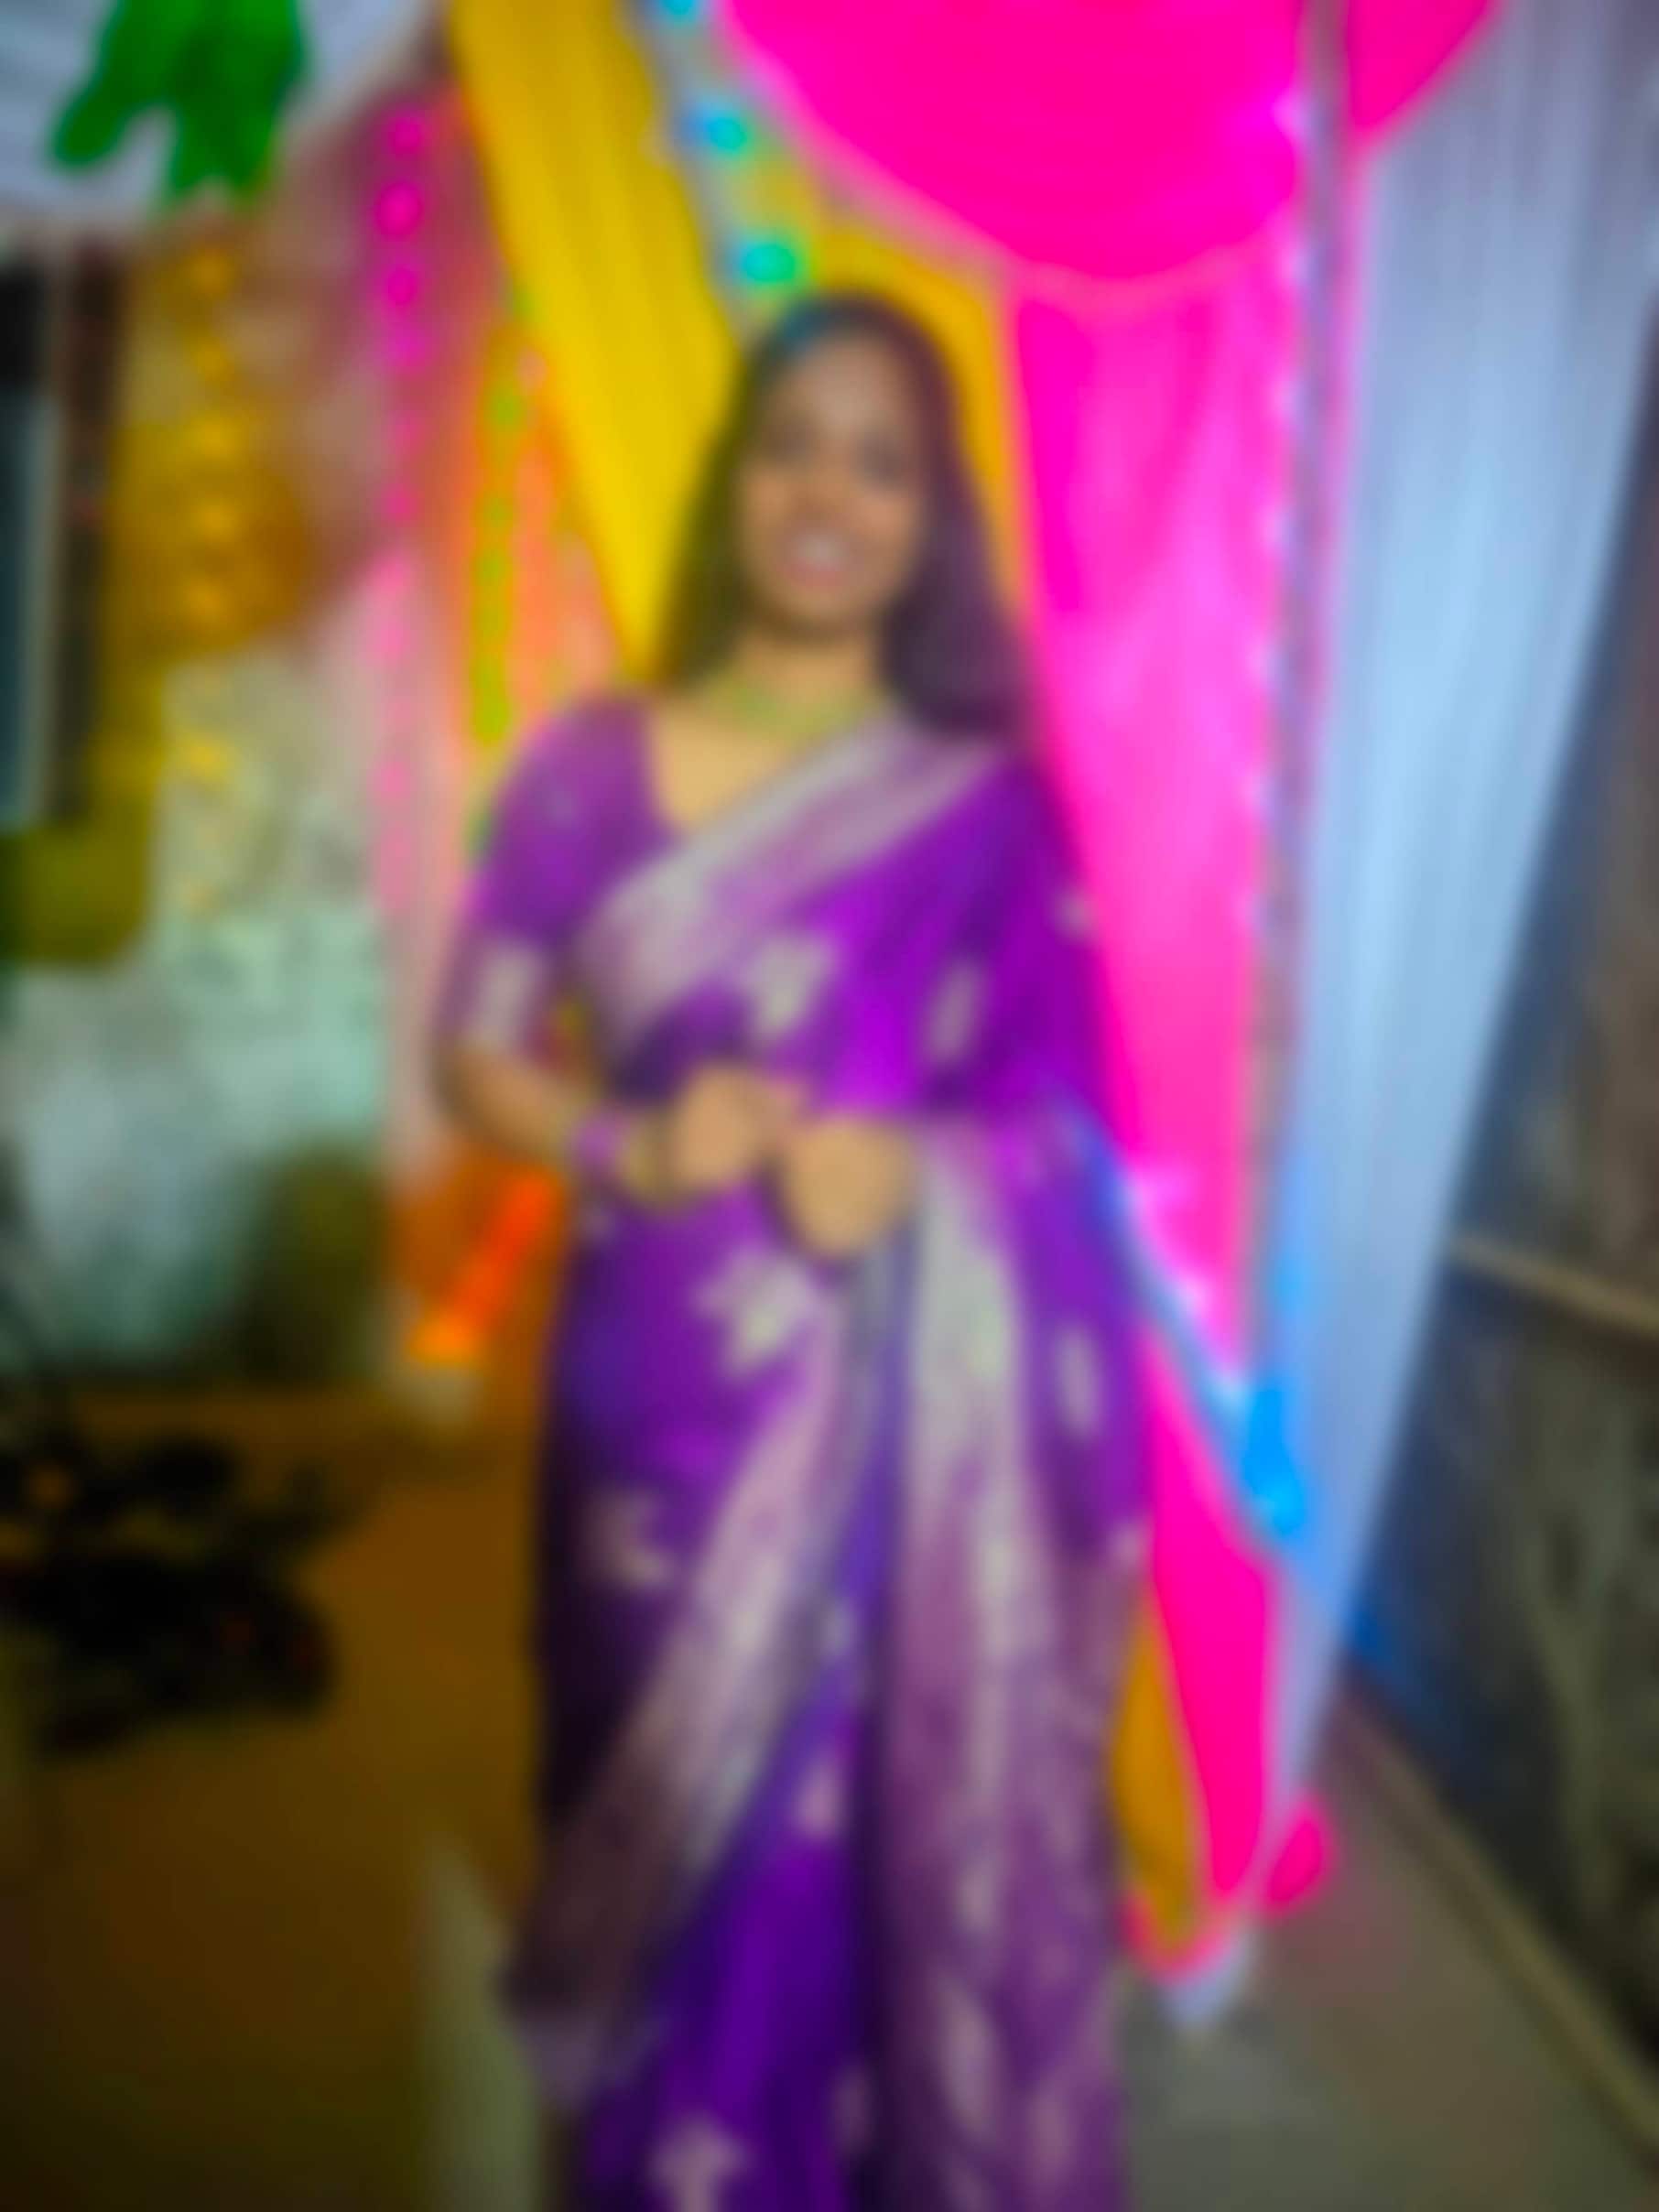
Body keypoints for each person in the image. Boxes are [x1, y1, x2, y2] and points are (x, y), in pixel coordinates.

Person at [435, 291, 1148, 2209]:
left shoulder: (988, 813)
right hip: (647, 1420)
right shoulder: (586, 766)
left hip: (896, 1429)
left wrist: (918, 1173)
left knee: (832, 1880)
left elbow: (1074, 1139)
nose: (828, 497)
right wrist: (627, 1138)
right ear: (736, 481)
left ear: (930, 521)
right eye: (793, 447)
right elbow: (475, 1046)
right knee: (654, 1835)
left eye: (880, 464)